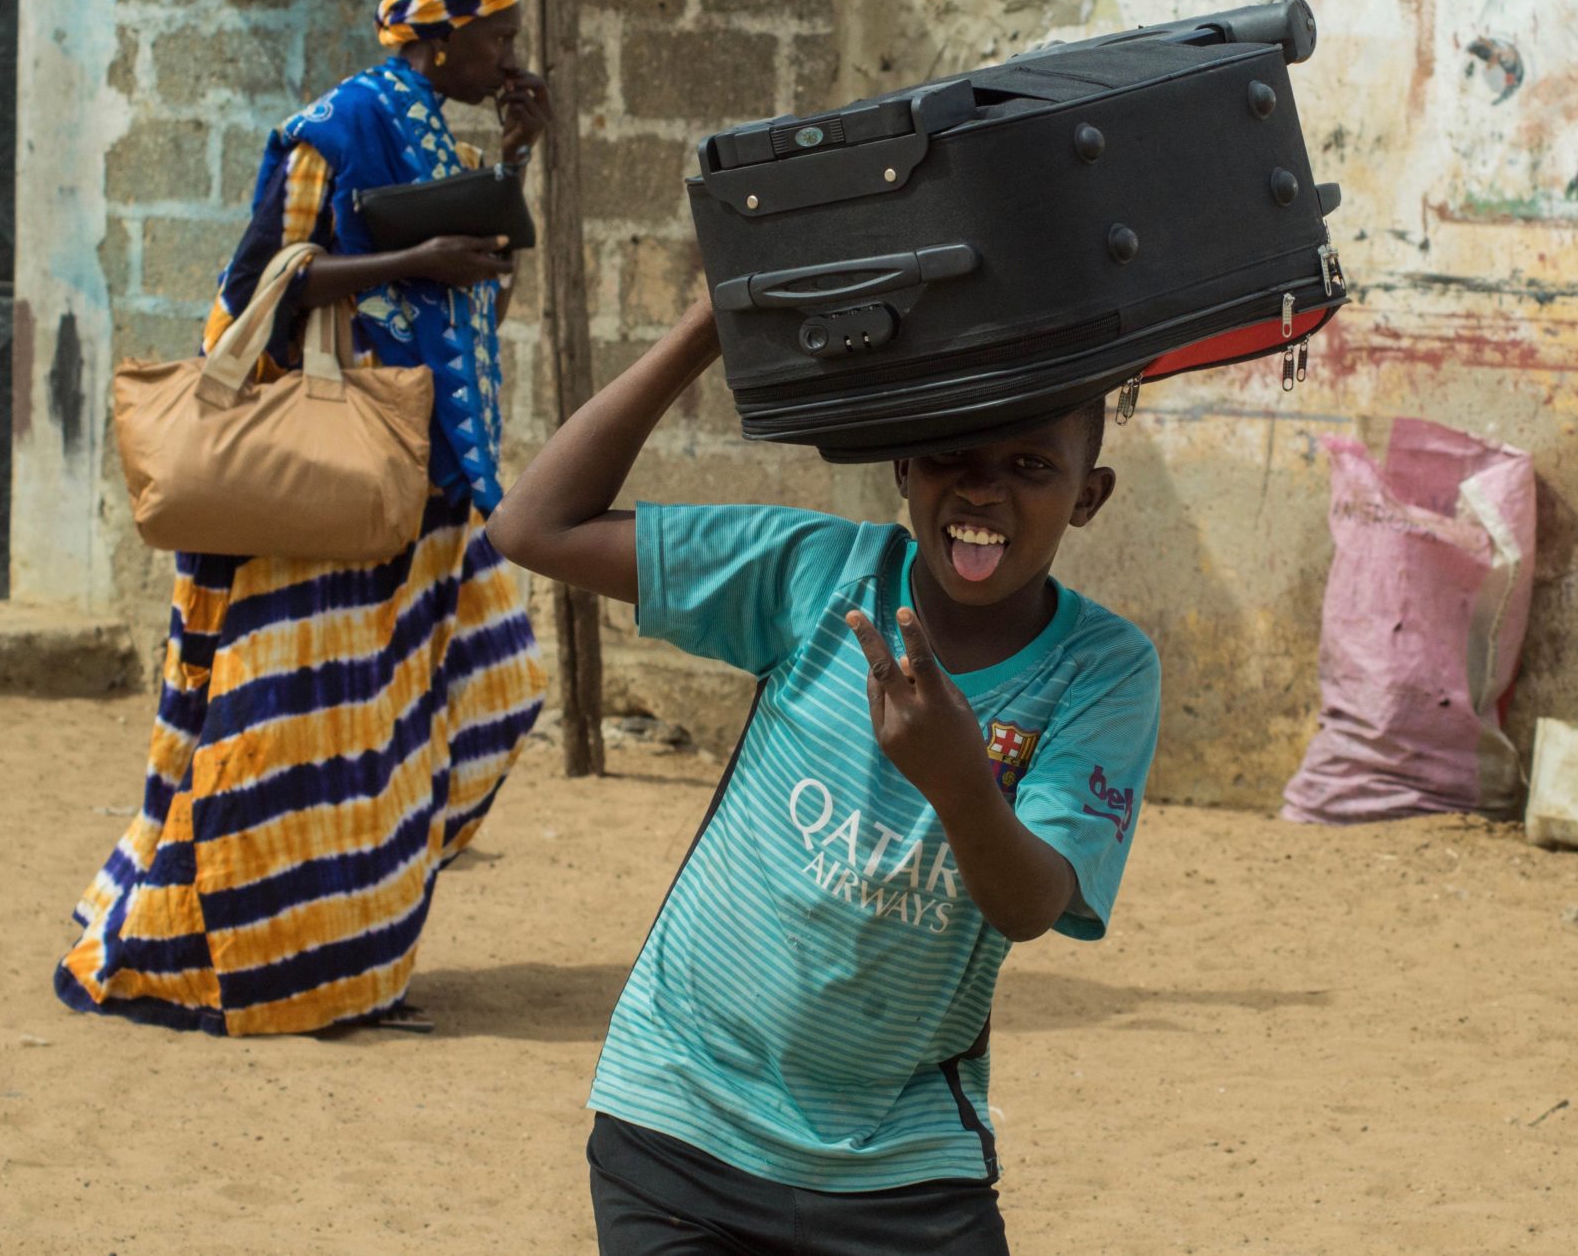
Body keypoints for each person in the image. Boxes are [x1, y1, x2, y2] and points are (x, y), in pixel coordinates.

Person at [487, 297, 1162, 1254]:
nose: (982, 493)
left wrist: (960, 783)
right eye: (949, 456)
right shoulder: (819, 576)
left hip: (902, 1168)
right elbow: (531, 526)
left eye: (1030, 467)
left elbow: (1031, 902)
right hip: (680, 1122)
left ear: (1087, 496)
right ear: (901, 466)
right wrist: (705, 329)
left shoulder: (1102, 669)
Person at [55, 0, 550, 1036]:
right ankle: (244, 968)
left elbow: (471, 287)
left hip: (427, 483)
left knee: (417, 719)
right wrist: (406, 267)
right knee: (299, 738)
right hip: (327, 492)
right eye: (497, 37)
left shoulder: (426, 123)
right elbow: (256, 288)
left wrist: (514, 157)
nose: (507, 54)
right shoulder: (333, 129)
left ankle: (354, 964)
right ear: (435, 33)